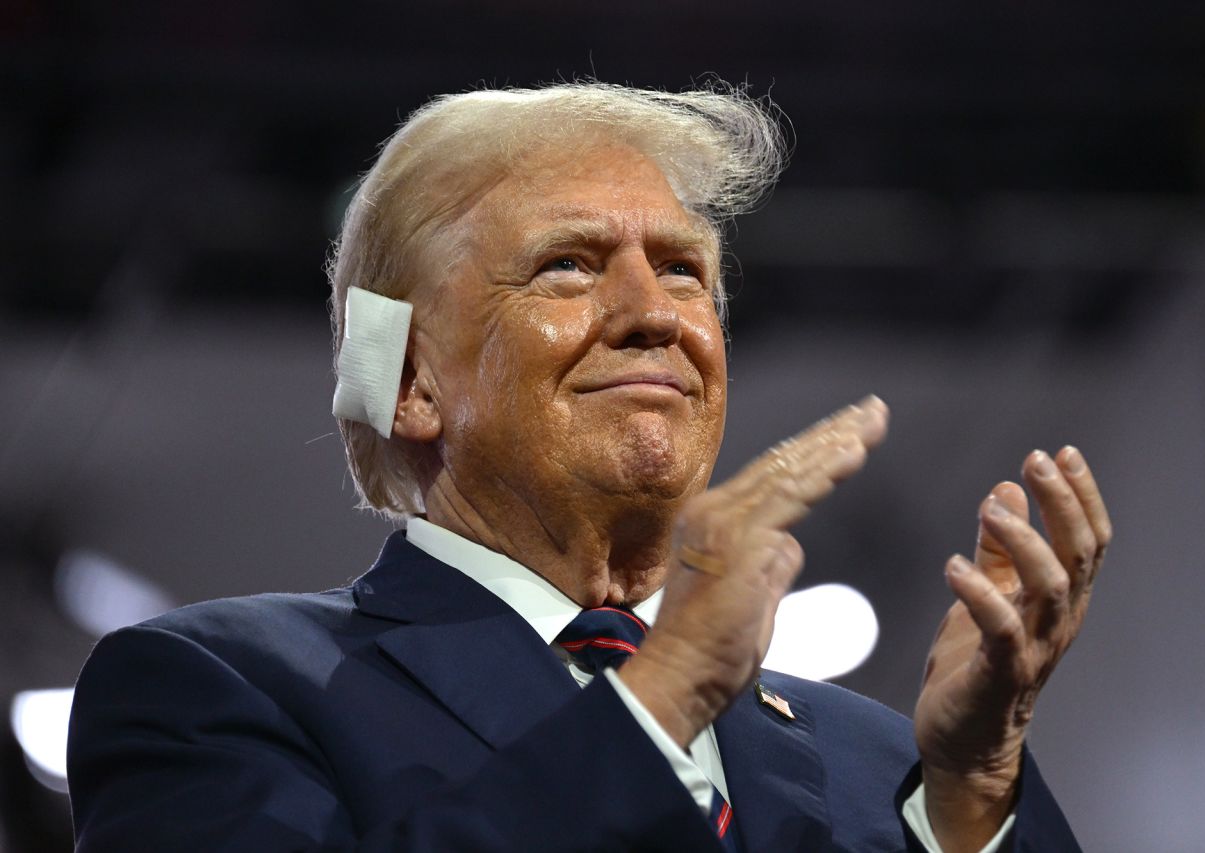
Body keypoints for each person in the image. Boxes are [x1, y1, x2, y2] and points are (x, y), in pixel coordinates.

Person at [67, 83, 1110, 852]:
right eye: (566, 263)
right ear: (411, 382)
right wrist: (657, 699)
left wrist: (971, 787)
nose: (654, 314)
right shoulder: (214, 689)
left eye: (682, 270)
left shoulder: (889, 764)